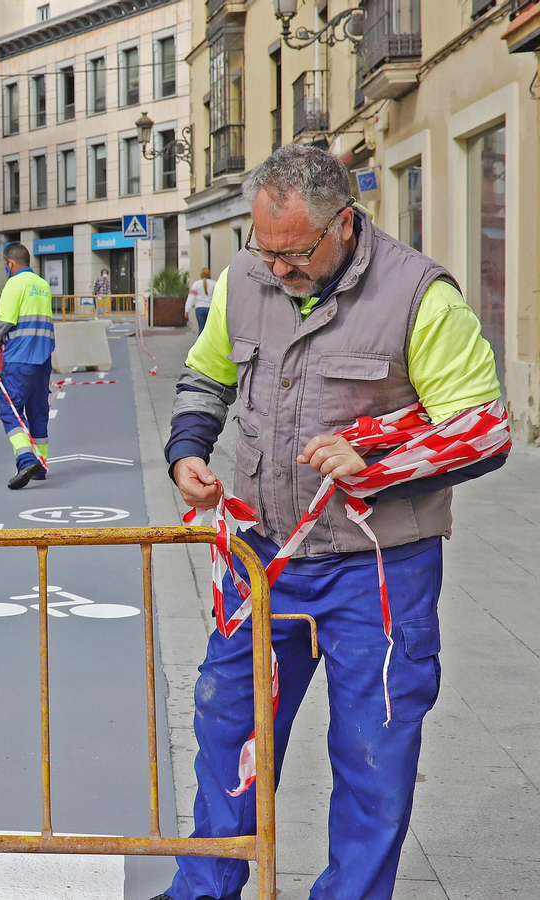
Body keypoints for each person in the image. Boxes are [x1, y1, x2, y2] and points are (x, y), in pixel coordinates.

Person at [156, 144, 505, 900]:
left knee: (372, 755)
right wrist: (187, 451)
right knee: (228, 731)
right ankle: (202, 890)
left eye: (294, 253)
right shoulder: (243, 277)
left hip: (377, 574)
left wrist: (376, 463)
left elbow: (484, 431)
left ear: (344, 223)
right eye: (263, 248)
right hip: (264, 561)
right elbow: (205, 375)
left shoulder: (420, 294)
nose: (274, 269)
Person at [0, 242, 55, 489]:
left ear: (10, 263)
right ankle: (40, 466)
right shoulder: (43, 285)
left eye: (5, 264)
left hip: (19, 359)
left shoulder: (14, 283)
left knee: (9, 408)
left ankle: (25, 459)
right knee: (38, 411)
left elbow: (4, 321)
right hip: (43, 360)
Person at [185, 266, 214, 333]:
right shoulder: (214, 283)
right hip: (210, 308)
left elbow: (191, 297)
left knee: (201, 328)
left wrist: (187, 309)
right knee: (210, 330)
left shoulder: (196, 284)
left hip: (199, 308)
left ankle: (201, 343)